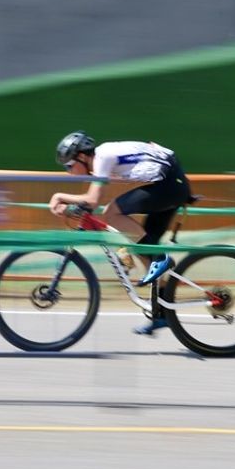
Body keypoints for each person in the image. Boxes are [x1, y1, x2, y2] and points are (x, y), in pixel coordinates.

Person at [49, 131, 192, 336]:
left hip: (169, 183)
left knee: (112, 213)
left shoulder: (102, 157)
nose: (69, 172)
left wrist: (59, 196)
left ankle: (160, 259)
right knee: (145, 251)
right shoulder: (101, 160)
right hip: (170, 183)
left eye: (69, 166)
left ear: (82, 156)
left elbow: (92, 200)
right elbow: (93, 199)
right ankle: (162, 315)